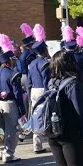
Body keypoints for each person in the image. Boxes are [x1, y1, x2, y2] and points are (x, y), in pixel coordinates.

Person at [0, 36, 23, 163]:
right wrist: (22, 111)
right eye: (13, 59)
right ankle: (8, 154)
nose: (14, 61)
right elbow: (18, 94)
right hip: (9, 104)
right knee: (12, 130)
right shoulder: (14, 74)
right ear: (8, 61)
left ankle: (0, 151)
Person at [26, 25, 54, 154]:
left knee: (35, 115)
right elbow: (46, 80)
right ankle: (51, 141)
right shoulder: (45, 63)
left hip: (33, 91)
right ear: (44, 50)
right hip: (43, 90)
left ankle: (36, 144)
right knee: (46, 115)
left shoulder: (31, 63)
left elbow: (29, 81)